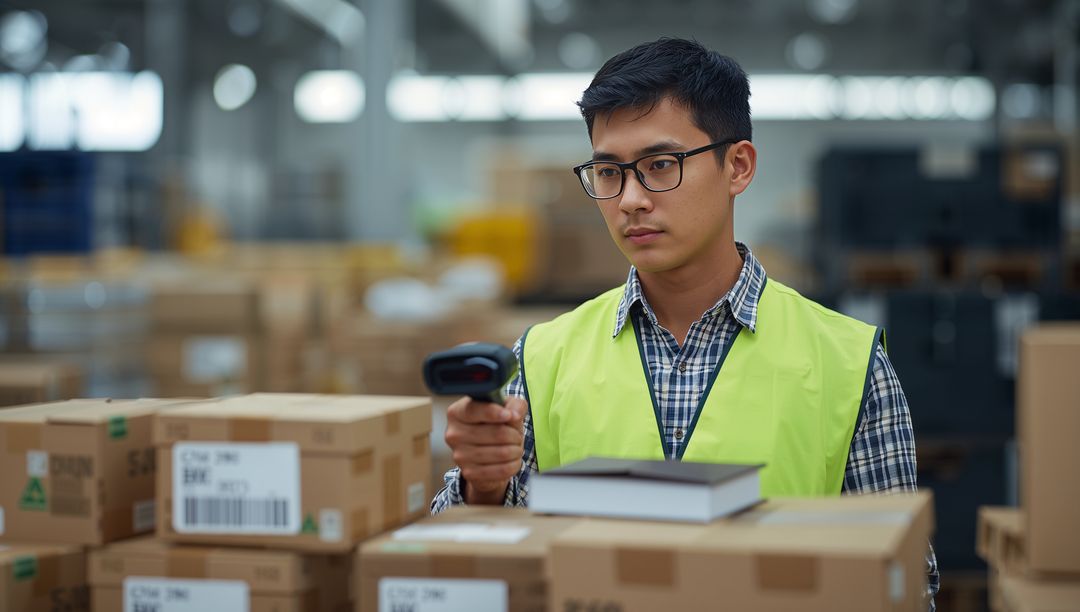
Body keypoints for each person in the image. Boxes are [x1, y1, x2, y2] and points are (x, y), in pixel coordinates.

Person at [431, 37, 939, 608]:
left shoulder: (850, 363)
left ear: (737, 166)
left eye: (659, 166)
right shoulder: (543, 356)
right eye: (608, 172)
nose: (630, 199)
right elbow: (470, 564)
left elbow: (903, 582)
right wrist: (483, 484)